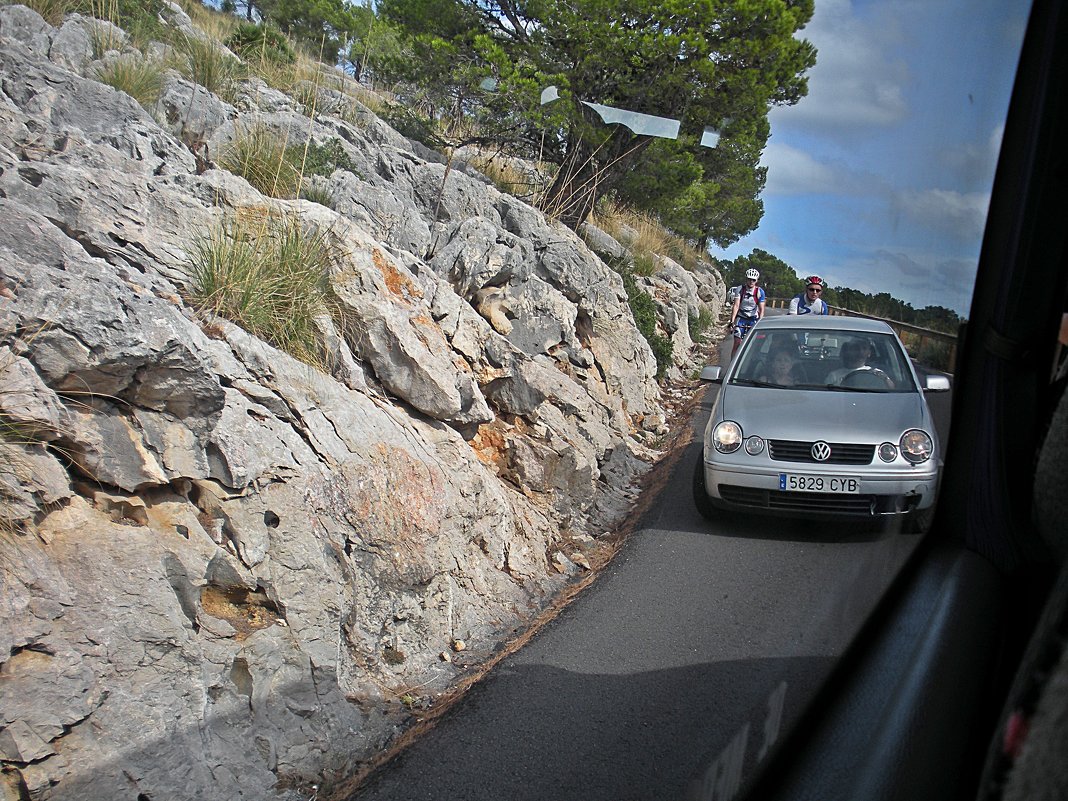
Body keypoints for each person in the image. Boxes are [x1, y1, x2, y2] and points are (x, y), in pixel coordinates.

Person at [826, 338, 893, 387]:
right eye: (856, 348)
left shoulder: (877, 373)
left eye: (864, 348)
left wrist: (884, 378)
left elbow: (891, 388)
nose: (861, 352)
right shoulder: (834, 376)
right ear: (848, 351)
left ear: (869, 353)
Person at [730, 268, 766, 357]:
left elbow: (762, 309)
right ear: (746, 279)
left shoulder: (759, 292)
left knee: (754, 345)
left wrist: (760, 322)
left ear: (756, 281)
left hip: (753, 318)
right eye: (749, 279)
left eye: (753, 280)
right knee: (737, 343)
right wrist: (732, 321)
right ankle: (732, 365)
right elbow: (736, 305)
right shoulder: (740, 289)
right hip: (741, 317)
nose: (751, 282)